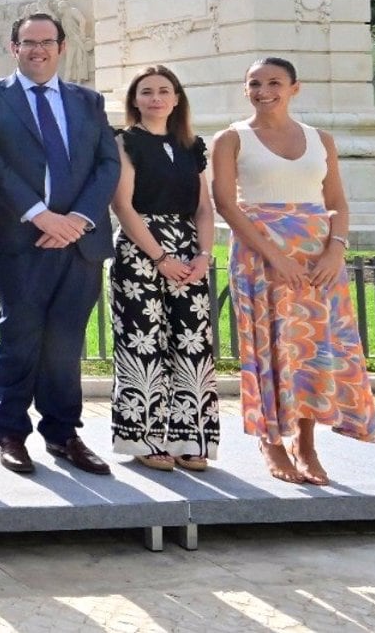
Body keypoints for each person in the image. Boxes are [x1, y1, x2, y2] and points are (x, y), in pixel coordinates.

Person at [211, 58, 375, 484]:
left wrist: (335, 251)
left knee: (311, 350)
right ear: (245, 88)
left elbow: (338, 202)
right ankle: (270, 443)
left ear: (294, 88)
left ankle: (305, 446)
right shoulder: (232, 138)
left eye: (274, 83)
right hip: (259, 255)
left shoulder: (320, 139)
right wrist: (273, 255)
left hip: (317, 256)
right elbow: (226, 205)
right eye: (255, 83)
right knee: (269, 347)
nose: (264, 90)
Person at [0, 13, 120, 476]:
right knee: (20, 335)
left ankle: (63, 433)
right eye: (29, 42)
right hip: (20, 237)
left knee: (65, 341)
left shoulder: (88, 101)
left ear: (61, 47)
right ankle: (11, 433)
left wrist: (77, 219)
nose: (39, 49)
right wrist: (40, 214)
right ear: (13, 47)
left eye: (47, 42)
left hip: (79, 242)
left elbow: (107, 165)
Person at [107, 65, 220, 472]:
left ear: (177, 98)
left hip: (191, 251)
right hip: (142, 250)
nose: (156, 97)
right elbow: (123, 206)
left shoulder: (192, 146)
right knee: (143, 345)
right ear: (135, 100)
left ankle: (190, 437)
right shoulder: (125, 142)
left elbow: (205, 208)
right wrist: (160, 257)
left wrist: (203, 256)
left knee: (192, 345)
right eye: (147, 91)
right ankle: (143, 438)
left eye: (164, 90)